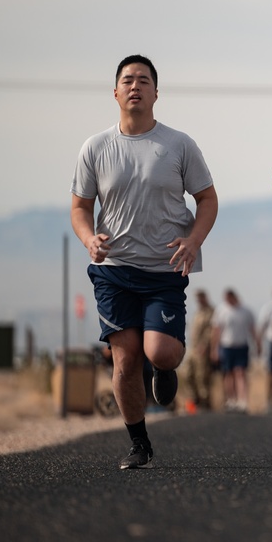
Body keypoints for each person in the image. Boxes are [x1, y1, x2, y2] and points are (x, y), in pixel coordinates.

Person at [70, 54, 218, 469]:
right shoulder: (95, 147)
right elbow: (80, 207)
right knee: (125, 357)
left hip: (164, 268)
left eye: (144, 81)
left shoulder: (178, 144)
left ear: (156, 92)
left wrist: (193, 241)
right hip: (113, 270)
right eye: (128, 80)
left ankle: (165, 367)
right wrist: (88, 239)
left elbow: (207, 199)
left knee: (161, 352)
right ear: (115, 92)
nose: (135, 87)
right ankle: (139, 443)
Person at [211, 288, 258, 413]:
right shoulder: (221, 310)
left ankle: (243, 401)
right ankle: (231, 400)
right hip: (226, 346)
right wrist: (214, 349)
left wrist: (257, 344)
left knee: (240, 372)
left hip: (241, 345)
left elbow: (252, 329)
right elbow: (216, 331)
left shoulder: (246, 311)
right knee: (228, 373)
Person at [186, 289, 215, 410]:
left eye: (200, 297)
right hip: (192, 348)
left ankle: (205, 402)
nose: (199, 300)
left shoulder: (210, 312)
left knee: (202, 376)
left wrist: (204, 345)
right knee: (188, 373)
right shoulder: (198, 312)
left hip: (203, 349)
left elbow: (210, 331)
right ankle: (195, 399)